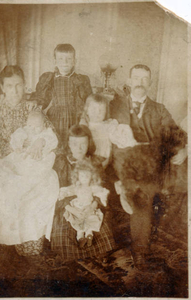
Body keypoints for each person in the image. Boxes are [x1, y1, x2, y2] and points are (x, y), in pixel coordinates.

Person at [110, 64, 187, 270]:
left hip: (149, 165)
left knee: (149, 190)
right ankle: (136, 248)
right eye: (136, 78)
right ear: (129, 80)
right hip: (121, 162)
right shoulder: (115, 105)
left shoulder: (159, 108)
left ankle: (144, 245)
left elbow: (175, 133)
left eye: (145, 79)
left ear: (150, 83)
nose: (140, 83)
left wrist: (183, 149)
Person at [0, 66, 58, 257]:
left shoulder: (32, 108)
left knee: (48, 180)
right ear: (2, 87)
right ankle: (7, 239)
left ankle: (30, 240)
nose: (15, 90)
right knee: (3, 184)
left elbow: (50, 134)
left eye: (18, 85)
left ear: (25, 85)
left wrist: (39, 142)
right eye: (9, 86)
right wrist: (13, 150)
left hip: (30, 162)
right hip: (3, 161)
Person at [50, 124, 116, 261]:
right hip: (68, 204)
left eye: (83, 144)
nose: (78, 148)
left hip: (90, 202)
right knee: (64, 239)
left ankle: (91, 242)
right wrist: (71, 209)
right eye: (74, 144)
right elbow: (56, 191)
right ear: (68, 143)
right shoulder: (61, 162)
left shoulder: (95, 162)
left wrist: (92, 206)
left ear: (89, 143)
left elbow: (101, 188)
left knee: (100, 232)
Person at [30, 43, 92, 143]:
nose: (65, 62)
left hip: (74, 117)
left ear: (74, 61)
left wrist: (85, 115)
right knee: (55, 141)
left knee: (73, 141)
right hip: (55, 117)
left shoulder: (80, 80)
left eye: (69, 59)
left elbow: (88, 100)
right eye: (61, 59)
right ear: (55, 61)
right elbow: (42, 99)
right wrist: (35, 103)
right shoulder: (49, 78)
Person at [59, 159, 109, 249]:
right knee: (79, 223)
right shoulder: (77, 187)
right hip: (77, 207)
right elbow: (68, 191)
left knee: (91, 219)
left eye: (87, 176)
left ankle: (89, 235)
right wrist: (63, 194)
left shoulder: (92, 187)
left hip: (88, 207)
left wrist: (102, 198)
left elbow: (100, 192)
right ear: (78, 176)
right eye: (82, 176)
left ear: (92, 176)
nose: (84, 178)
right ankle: (81, 238)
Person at [80, 93, 137, 168]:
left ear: (106, 112)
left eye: (101, 110)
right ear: (87, 110)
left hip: (104, 161)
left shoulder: (109, 125)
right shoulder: (84, 126)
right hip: (88, 162)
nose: (97, 113)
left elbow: (124, 139)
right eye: (94, 109)